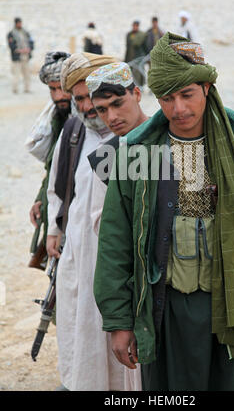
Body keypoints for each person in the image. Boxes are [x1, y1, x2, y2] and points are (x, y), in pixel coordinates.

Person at [94, 32, 234, 391]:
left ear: (206, 88)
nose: (178, 110)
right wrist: (119, 320)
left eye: (187, 94)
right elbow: (115, 241)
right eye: (167, 98)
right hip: (167, 311)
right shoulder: (136, 154)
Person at [46, 52, 141, 391]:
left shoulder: (138, 138)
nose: (90, 107)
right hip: (80, 259)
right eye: (81, 99)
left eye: (94, 98)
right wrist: (54, 231)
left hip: (121, 266)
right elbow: (57, 186)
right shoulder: (73, 133)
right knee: (83, 333)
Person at [85, 62, 148, 233]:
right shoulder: (105, 159)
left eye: (117, 104)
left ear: (136, 94)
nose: (111, 117)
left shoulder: (170, 136)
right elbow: (103, 227)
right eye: (102, 110)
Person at [29, 52, 72, 250]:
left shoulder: (86, 121)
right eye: (52, 90)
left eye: (62, 89)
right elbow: (52, 166)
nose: (58, 96)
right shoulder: (57, 118)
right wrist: (41, 198)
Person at [7, 17, 34, 93]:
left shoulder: (25, 32)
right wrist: (19, 50)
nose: (20, 24)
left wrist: (29, 49)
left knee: (27, 74)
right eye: (18, 23)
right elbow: (11, 45)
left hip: (26, 57)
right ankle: (15, 89)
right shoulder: (11, 34)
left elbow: (31, 41)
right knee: (16, 74)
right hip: (17, 57)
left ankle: (27, 89)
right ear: (16, 23)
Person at [124, 21, 147, 87]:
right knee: (129, 73)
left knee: (138, 73)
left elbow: (145, 47)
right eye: (134, 26)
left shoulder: (142, 35)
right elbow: (127, 47)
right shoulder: (129, 34)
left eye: (136, 26)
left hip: (138, 57)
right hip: (130, 56)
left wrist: (145, 57)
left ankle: (139, 86)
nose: (135, 27)